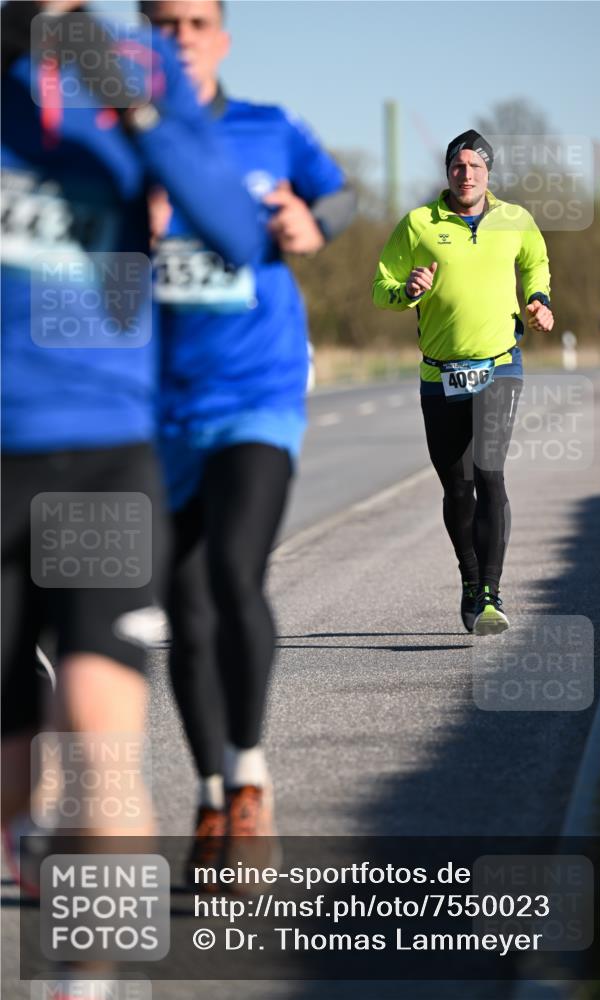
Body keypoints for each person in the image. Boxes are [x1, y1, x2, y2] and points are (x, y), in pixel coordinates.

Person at [1, 0, 260, 891]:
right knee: (11, 778)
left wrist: (138, 111)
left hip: (101, 448)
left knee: (97, 732)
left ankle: (94, 961)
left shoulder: (139, 62)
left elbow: (234, 232)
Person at [142, 0, 356, 870]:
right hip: (157, 405)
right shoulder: (116, 139)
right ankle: (207, 796)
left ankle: (249, 782)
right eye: (162, 22)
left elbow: (339, 193)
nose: (179, 37)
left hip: (256, 391)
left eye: (195, 22)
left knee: (233, 571)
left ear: (221, 38)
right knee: (183, 607)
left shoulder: (270, 126)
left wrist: (314, 222)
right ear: (141, 32)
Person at [372, 129, 553, 636]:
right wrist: (408, 290)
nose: (466, 174)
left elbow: (536, 262)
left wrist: (539, 299)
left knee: (489, 472)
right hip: (440, 373)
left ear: (488, 173)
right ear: (447, 172)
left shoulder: (516, 220)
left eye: (475, 166)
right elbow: (381, 287)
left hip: (500, 365)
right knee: (457, 487)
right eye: (458, 166)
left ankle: (491, 593)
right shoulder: (418, 224)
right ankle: (470, 580)